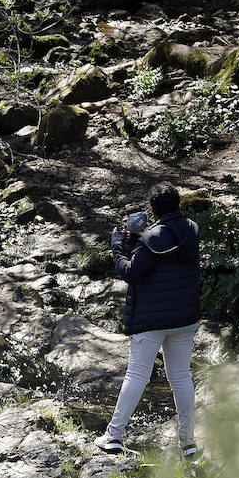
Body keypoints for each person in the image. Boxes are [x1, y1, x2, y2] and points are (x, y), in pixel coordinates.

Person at [95, 182, 202, 458]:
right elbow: (164, 249)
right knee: (180, 376)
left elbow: (131, 271)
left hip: (152, 322)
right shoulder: (191, 230)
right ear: (178, 205)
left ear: (153, 211)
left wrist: (117, 247)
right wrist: (139, 240)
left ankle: (113, 436)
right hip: (185, 318)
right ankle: (188, 444)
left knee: (137, 376)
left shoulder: (152, 239)